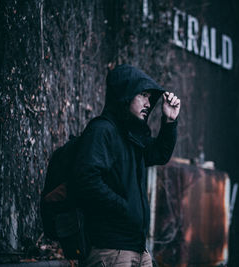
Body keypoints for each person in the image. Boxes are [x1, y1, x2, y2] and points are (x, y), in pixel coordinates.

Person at [72, 64, 180, 267]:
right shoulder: (102, 130)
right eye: (143, 95)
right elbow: (86, 180)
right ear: (125, 94)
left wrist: (169, 121)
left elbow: (159, 154)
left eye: (150, 97)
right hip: (111, 251)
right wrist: (123, 207)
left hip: (138, 249)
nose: (148, 103)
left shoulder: (132, 137)